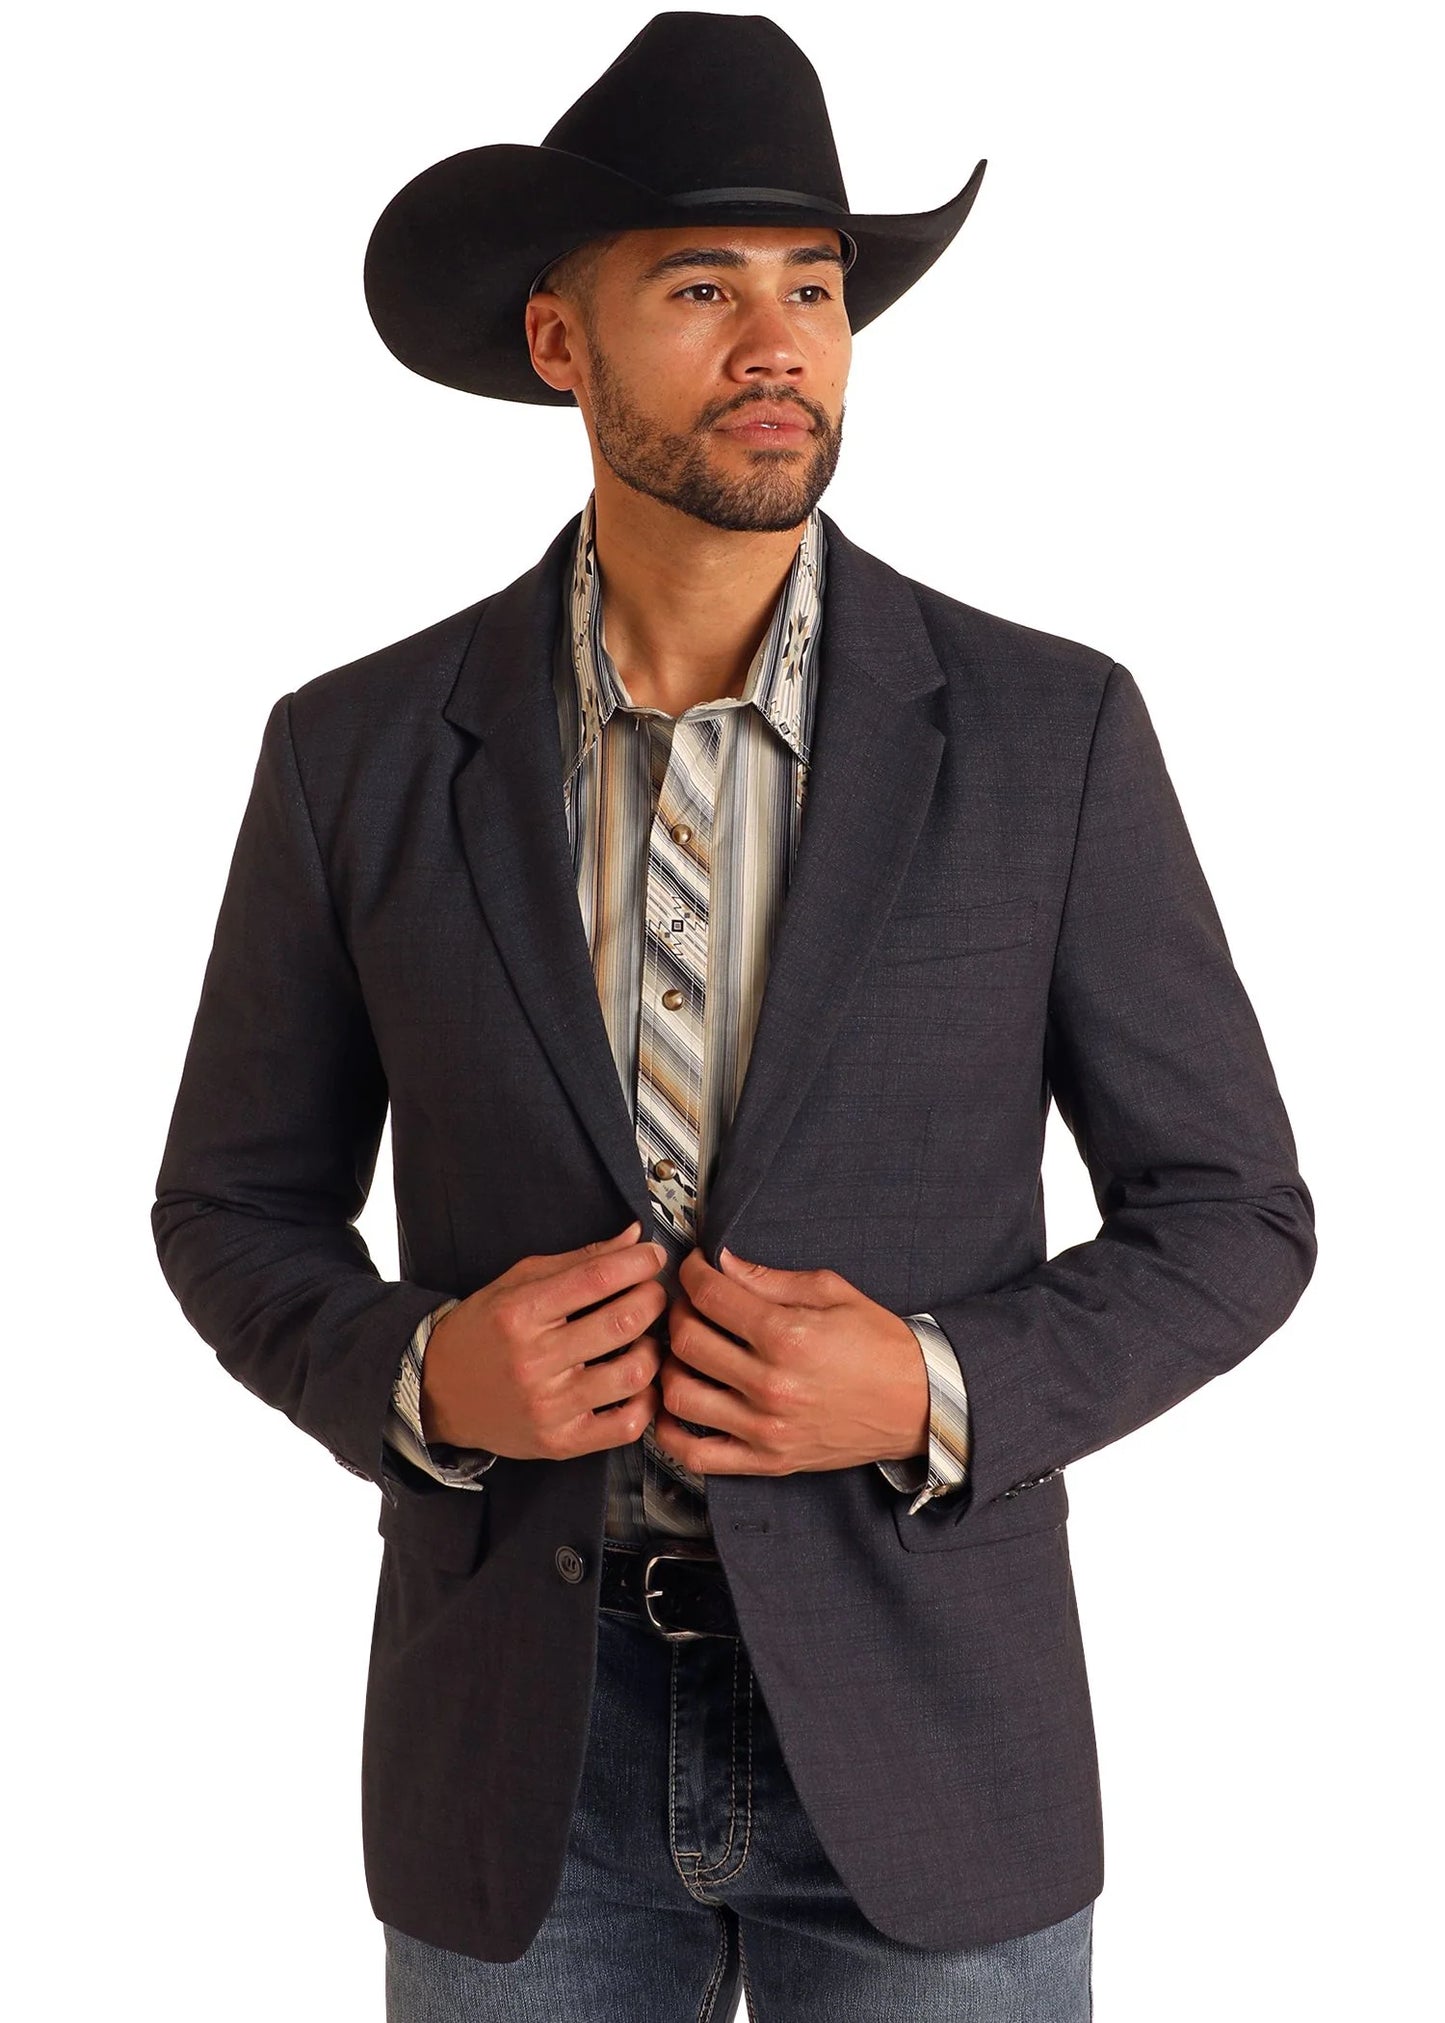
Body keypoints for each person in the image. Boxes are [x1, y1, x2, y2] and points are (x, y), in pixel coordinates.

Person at [152, 13, 1317, 2020]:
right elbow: (229, 1204)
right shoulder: (357, 753)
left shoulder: (1047, 734)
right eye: (701, 289)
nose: (779, 343)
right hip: (520, 1756)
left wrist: (938, 1387)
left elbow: (1235, 1214)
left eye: (815, 288)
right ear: (558, 342)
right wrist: (422, 1376)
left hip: (934, 1733)